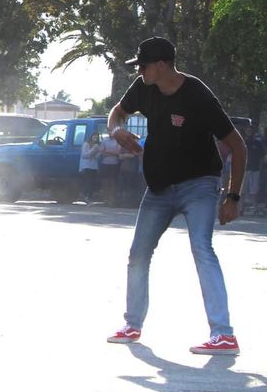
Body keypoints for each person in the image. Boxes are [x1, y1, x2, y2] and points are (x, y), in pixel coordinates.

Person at [106, 37, 246, 356]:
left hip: (199, 185)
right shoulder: (143, 88)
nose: (138, 71)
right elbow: (117, 113)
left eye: (142, 65)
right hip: (159, 189)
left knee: (201, 248)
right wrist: (116, 131)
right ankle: (132, 324)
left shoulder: (198, 96)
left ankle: (223, 334)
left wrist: (233, 196)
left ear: (162, 65)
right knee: (138, 253)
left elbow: (238, 146)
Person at [243, 126, 264, 213]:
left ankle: (255, 208)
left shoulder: (257, 143)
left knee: (254, 189)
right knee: (243, 189)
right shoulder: (243, 141)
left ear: (253, 132)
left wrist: (261, 167)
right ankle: (241, 208)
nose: (249, 132)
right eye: (248, 131)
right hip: (245, 169)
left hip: (255, 169)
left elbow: (262, 156)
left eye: (250, 131)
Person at [79, 131, 101, 202]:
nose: (95, 138)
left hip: (94, 166)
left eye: (97, 137)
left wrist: (98, 152)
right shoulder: (86, 144)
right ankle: (85, 195)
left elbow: (97, 157)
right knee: (89, 181)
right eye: (94, 136)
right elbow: (84, 155)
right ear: (91, 137)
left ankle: (89, 197)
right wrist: (93, 149)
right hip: (86, 166)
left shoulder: (97, 145)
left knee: (93, 183)